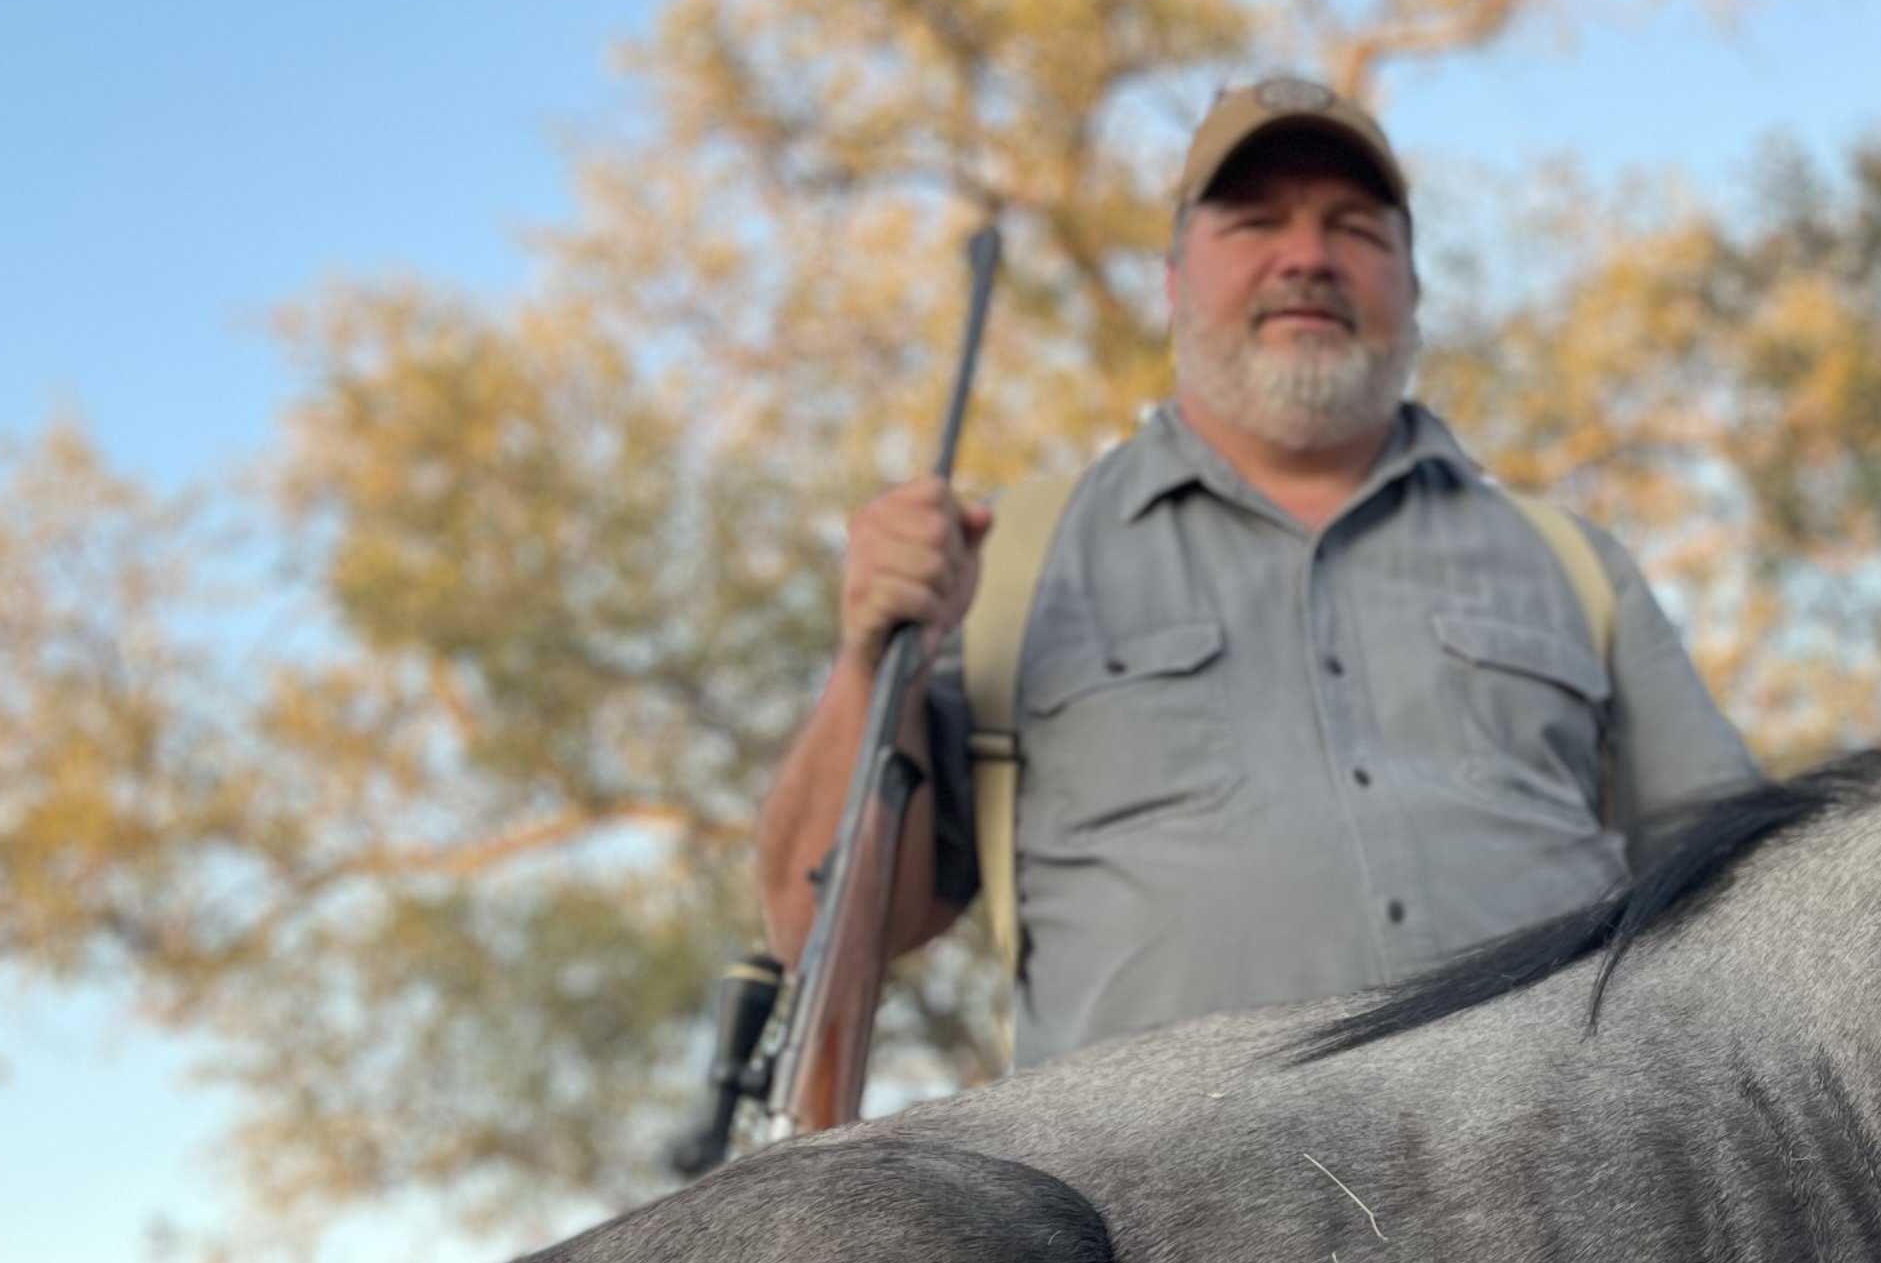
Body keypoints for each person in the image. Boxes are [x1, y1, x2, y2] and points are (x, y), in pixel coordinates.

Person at [754, 76, 1760, 1061]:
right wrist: (864, 660)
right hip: (1161, 1220)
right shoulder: (1003, 559)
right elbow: (828, 930)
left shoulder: (1576, 566)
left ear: (1414, 285)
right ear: (1173, 280)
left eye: (1358, 228)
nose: (1308, 258)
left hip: (1561, 1201)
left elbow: (1745, 907)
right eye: (1254, 221)